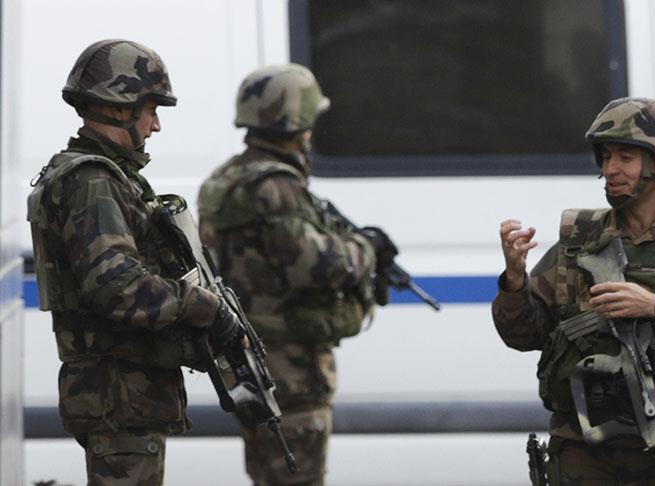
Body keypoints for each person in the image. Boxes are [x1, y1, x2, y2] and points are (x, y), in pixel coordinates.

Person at [493, 97, 655, 485]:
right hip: (583, 449)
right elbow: (523, 335)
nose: (610, 169)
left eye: (626, 158)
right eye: (606, 157)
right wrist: (515, 280)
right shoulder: (581, 239)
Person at [27, 39, 244, 485]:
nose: (156, 125)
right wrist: (205, 307)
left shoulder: (106, 178)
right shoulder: (93, 181)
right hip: (118, 395)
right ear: (119, 106)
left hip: (125, 396)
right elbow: (119, 287)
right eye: (151, 110)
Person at [197, 64, 392, 485]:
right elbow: (316, 265)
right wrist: (366, 247)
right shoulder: (275, 186)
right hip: (290, 367)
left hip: (246, 357)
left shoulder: (225, 178)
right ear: (296, 120)